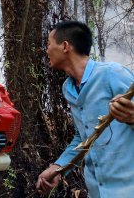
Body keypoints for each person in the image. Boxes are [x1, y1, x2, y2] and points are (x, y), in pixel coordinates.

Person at [36, 20, 134, 197]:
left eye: (49, 44)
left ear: (65, 46)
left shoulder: (112, 74)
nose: (46, 50)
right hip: (96, 191)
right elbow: (82, 137)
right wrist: (59, 167)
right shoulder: (68, 89)